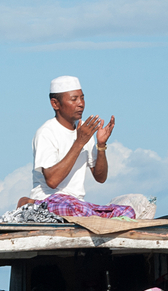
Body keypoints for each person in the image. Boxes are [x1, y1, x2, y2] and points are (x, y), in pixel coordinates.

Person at [25, 76, 115, 204]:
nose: (81, 104)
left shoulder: (84, 129)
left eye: (82, 98)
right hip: (48, 200)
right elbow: (52, 181)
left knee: (125, 210)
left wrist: (101, 145)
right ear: (55, 104)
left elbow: (100, 177)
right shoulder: (46, 132)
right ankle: (27, 203)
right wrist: (79, 142)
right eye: (74, 99)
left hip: (76, 203)